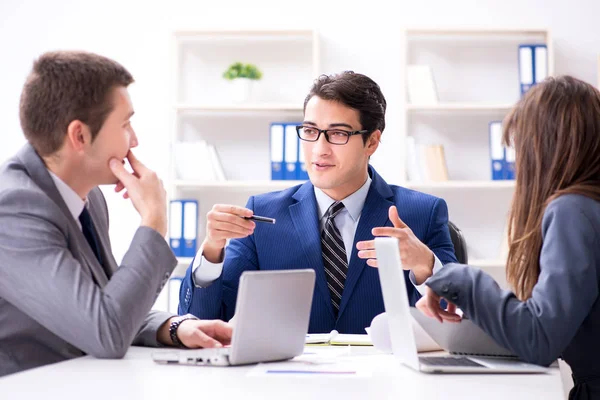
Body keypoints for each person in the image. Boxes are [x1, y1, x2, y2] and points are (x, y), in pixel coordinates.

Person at [0, 51, 232, 377]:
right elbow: (106, 331)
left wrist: (174, 326)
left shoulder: (89, 196)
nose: (134, 140)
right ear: (79, 136)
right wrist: (153, 220)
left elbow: (106, 304)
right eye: (125, 124)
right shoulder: (13, 211)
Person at [179, 71, 457, 334]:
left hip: (386, 377)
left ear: (371, 142)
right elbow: (206, 323)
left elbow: (454, 320)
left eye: (338, 134)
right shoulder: (261, 214)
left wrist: (425, 265)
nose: (320, 149)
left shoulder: (422, 213)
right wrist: (212, 251)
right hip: (288, 378)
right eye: (310, 131)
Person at [393, 76, 600, 400]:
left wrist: (456, 277)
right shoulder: (590, 205)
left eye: (520, 147)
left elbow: (540, 339)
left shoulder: (572, 210)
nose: (517, 163)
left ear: (546, 146)